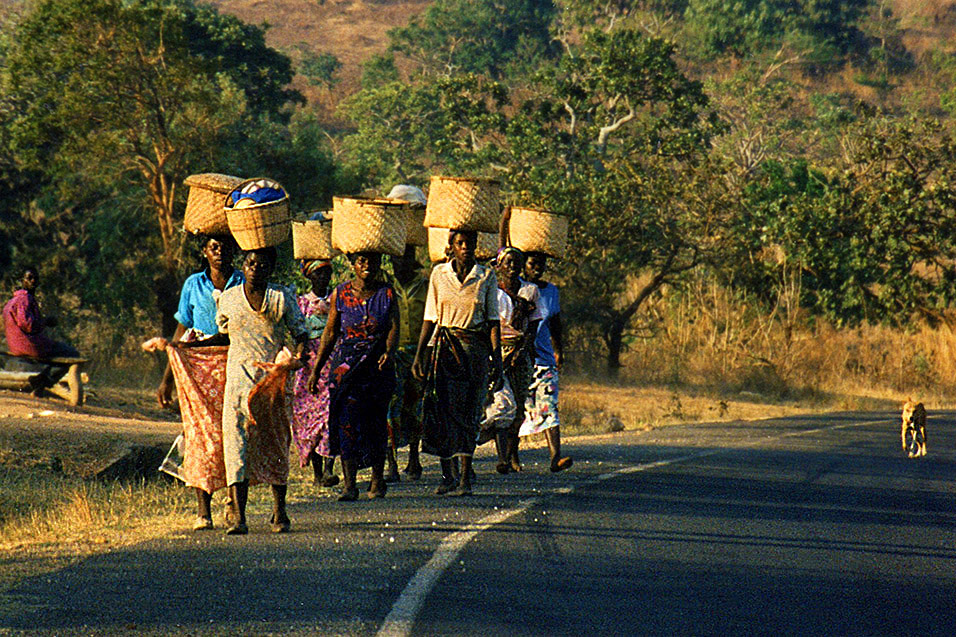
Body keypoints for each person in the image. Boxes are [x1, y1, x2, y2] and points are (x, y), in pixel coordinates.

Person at [178, 247, 309, 535]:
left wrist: (295, 358)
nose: (255, 269)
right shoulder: (229, 298)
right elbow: (222, 336)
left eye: (262, 265)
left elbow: (301, 335)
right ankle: (239, 515)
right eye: (250, 263)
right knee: (235, 442)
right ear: (243, 265)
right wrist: (187, 349)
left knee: (275, 441)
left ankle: (279, 511)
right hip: (237, 380)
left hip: (272, 381)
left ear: (270, 269)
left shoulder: (281, 297)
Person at [154, 234, 242, 531]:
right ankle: (203, 510)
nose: (220, 253)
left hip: (233, 361)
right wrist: (167, 379)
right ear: (205, 251)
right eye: (214, 247)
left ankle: (234, 503)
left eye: (225, 247)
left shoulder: (244, 281)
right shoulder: (194, 284)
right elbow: (183, 329)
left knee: (233, 433)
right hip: (198, 367)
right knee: (199, 434)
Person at [412, 230, 502, 496]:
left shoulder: (485, 276)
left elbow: (493, 321)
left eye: (469, 243)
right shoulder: (440, 274)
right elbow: (431, 317)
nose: (465, 248)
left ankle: (464, 478)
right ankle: (447, 475)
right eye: (459, 243)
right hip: (445, 348)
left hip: (474, 349)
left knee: (469, 412)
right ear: (451, 246)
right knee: (443, 410)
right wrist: (420, 355)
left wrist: (496, 357)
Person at [308, 252, 399, 501]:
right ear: (353, 265)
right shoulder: (341, 294)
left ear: (380, 263)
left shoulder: (387, 294)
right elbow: (329, 333)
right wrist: (316, 370)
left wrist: (389, 352)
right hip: (346, 369)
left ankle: (377, 481)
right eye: (361, 261)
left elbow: (393, 327)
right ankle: (349, 485)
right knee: (346, 422)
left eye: (372, 260)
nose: (367, 265)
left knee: (377, 422)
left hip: (377, 367)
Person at [481, 246, 541, 473]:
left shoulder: (530, 291)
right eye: (507, 262)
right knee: (500, 403)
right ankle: (503, 457)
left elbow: (533, 327)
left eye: (517, 262)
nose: (512, 266)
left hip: (521, 351)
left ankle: (511, 454)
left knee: (517, 408)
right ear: (498, 266)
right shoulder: (492, 290)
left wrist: (520, 352)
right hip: (496, 351)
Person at [385, 184, 429, 481]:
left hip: (418, 353)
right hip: (390, 354)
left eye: (405, 256)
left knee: (416, 406)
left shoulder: (426, 284)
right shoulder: (385, 286)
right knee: (390, 409)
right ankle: (390, 464)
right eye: (396, 256)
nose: (399, 262)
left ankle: (413, 458)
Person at [520, 251, 572, 472]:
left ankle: (555, 457)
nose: (537, 268)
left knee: (549, 405)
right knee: (515, 409)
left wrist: (558, 350)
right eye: (532, 264)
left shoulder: (551, 291)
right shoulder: (516, 286)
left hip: (544, 357)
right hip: (518, 356)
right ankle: (510, 458)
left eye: (540, 265)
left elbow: (555, 323)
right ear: (524, 265)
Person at [292, 258, 338, 487]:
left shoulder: (337, 299)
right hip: (308, 366)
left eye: (326, 273)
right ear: (308, 277)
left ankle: (329, 468)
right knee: (308, 417)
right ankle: (318, 473)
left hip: (332, 361)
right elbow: (297, 332)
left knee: (329, 414)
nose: (322, 277)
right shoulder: (300, 303)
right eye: (317, 273)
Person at [4, 266, 80, 364]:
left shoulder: (11, 301)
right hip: (29, 346)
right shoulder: (24, 299)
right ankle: (50, 378)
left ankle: (47, 376)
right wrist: (46, 321)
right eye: (29, 278)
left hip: (15, 346)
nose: (33, 281)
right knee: (72, 353)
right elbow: (28, 325)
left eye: (35, 278)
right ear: (22, 281)